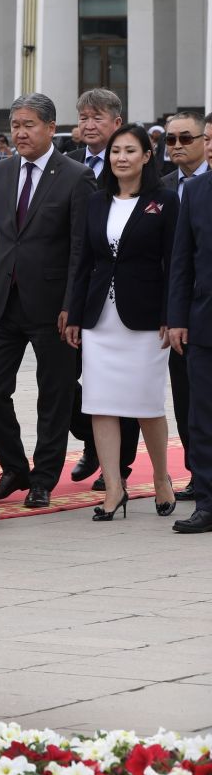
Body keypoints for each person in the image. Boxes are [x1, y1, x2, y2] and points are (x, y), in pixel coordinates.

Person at [0, 93, 95, 508]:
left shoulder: (76, 176)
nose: (21, 133)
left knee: (55, 394)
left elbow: (81, 247)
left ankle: (44, 477)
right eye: (15, 125)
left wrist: (71, 304)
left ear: (50, 128)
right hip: (4, 301)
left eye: (29, 125)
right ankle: (14, 467)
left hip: (53, 305)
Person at [64, 123, 179, 520]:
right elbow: (84, 262)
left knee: (147, 403)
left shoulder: (164, 201)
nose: (121, 158)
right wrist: (74, 313)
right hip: (100, 319)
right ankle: (114, 487)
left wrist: (171, 315)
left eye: (130, 151)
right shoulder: (96, 201)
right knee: (101, 403)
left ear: (146, 156)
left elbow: (174, 263)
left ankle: (161, 477)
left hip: (146, 319)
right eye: (115, 151)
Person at [66, 89, 140, 491]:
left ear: (116, 122)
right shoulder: (68, 164)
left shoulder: (137, 168)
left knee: (120, 385)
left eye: (97, 117)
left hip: (123, 296)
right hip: (78, 290)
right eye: (83, 117)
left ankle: (120, 467)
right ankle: (94, 443)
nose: (89, 124)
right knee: (66, 380)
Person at [162, 111, 207, 504]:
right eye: (170, 139)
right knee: (195, 405)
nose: (177, 146)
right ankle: (203, 485)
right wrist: (175, 316)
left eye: (186, 138)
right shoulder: (185, 190)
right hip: (195, 316)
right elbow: (179, 261)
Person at [167, 172, 212, 534]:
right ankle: (208, 503)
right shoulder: (196, 191)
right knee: (203, 417)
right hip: (203, 323)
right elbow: (181, 261)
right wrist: (177, 319)